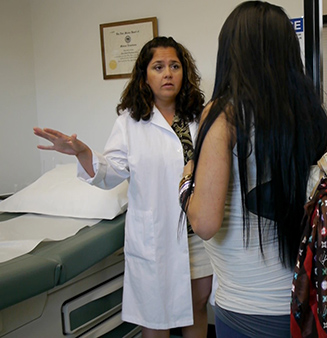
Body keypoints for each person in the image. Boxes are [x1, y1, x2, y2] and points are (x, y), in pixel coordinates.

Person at [34, 36, 212, 338]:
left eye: (174, 66)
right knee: (155, 317)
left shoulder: (200, 116)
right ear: (145, 77)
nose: (168, 73)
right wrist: (81, 152)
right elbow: (111, 172)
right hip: (156, 236)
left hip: (197, 233)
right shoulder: (130, 122)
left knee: (197, 307)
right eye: (158, 67)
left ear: (185, 73)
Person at [181, 2, 327, 337]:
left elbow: (204, 222)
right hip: (307, 300)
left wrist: (187, 178)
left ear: (231, 51)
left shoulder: (224, 114)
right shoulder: (311, 116)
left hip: (249, 309)